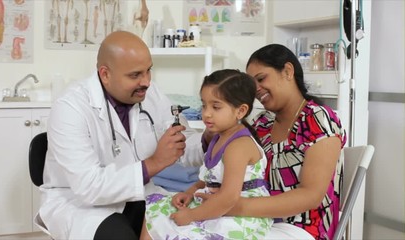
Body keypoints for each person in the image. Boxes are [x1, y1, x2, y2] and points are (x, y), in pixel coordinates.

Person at [38, 31, 207, 240]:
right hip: (81, 205)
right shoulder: (70, 108)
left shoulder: (150, 93)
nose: (146, 81)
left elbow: (181, 143)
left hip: (139, 194)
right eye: (135, 75)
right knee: (118, 236)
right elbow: (89, 186)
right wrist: (154, 163)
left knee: (188, 227)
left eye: (149, 71)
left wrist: (210, 140)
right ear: (105, 74)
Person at [196, 44, 347, 240]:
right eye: (252, 84)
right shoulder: (263, 123)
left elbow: (311, 196)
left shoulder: (317, 119)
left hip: (304, 228)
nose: (256, 90)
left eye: (260, 79)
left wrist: (231, 206)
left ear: (287, 71)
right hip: (257, 221)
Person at [141, 69, 273, 239]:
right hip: (215, 202)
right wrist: (189, 193)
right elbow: (208, 180)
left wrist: (191, 215)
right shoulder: (218, 138)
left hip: (239, 215)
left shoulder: (238, 146)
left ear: (240, 111)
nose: (206, 113)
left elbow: (228, 198)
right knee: (156, 210)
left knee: (183, 228)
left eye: (216, 107)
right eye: (204, 105)